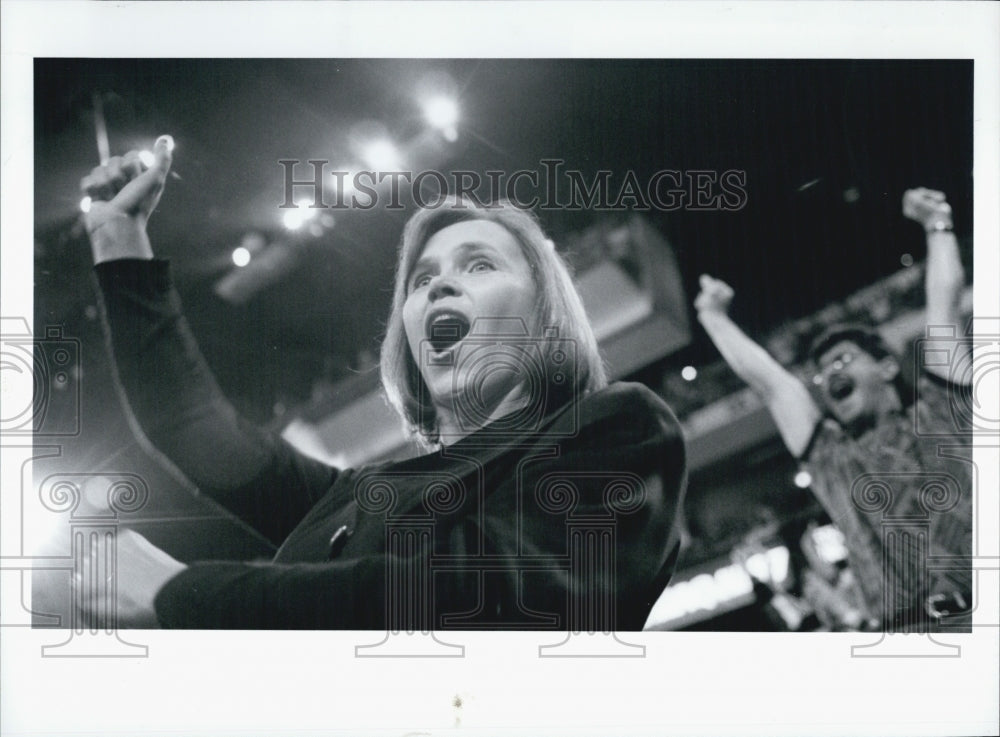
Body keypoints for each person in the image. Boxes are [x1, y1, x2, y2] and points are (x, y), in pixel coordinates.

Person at [78, 135, 687, 630]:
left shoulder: (621, 426)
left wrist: (183, 594)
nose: (438, 286)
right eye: (420, 280)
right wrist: (118, 239)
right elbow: (194, 426)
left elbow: (482, 597)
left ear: (545, 316)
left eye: (479, 264)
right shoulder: (351, 498)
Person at [693, 187, 973, 632]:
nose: (830, 374)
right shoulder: (832, 459)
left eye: (843, 359)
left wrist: (937, 226)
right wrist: (714, 319)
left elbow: (943, 307)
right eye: (822, 372)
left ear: (885, 366)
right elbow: (771, 382)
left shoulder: (940, 414)